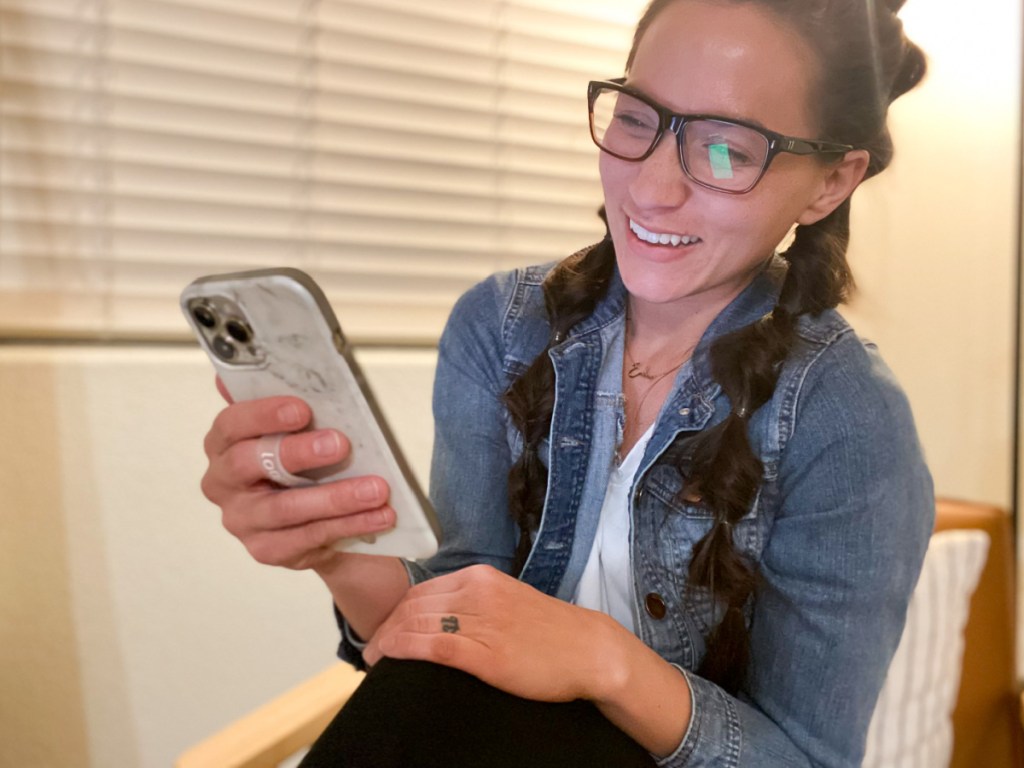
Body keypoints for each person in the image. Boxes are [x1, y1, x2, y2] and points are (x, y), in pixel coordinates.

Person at [200, 0, 935, 765]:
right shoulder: (502, 326)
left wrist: (604, 661)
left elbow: (807, 758)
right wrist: (332, 545)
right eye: (637, 118)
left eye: (727, 150)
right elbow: (452, 614)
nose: (652, 189)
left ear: (830, 183)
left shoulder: (847, 421)